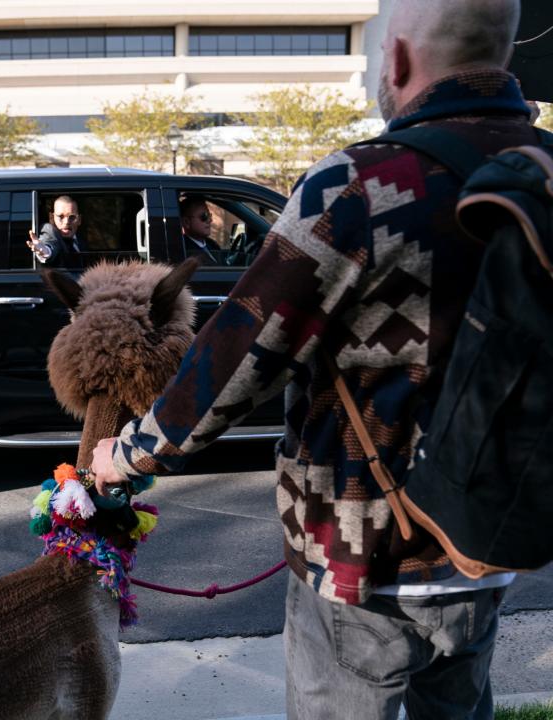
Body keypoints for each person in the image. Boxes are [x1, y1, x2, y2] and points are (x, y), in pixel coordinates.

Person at [90, 1, 534, 718]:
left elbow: (238, 353)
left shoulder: (361, 186)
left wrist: (130, 454)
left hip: (365, 558)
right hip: (492, 543)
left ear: (394, 59)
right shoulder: (540, 177)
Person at [27, 195, 83, 266]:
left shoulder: (80, 240)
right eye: (60, 217)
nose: (66, 222)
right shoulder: (49, 231)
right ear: (51, 218)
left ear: (79, 220)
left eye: (72, 217)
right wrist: (45, 251)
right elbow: (49, 244)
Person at [179, 195, 224, 265]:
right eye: (204, 216)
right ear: (186, 222)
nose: (210, 220)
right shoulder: (184, 250)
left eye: (209, 215)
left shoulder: (212, 244)